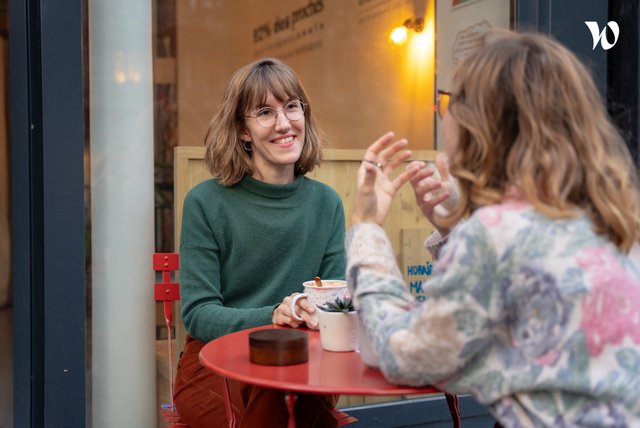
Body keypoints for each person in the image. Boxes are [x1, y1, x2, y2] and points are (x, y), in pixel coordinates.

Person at [347, 31, 640, 427]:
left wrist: (366, 230)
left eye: (449, 101)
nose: (442, 112)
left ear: (480, 123)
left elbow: (406, 355)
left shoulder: (497, 234)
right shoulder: (616, 217)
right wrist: (458, 224)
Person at [173, 57, 346, 427]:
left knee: (289, 397)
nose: (284, 123)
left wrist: (321, 312)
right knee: (282, 404)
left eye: (291, 107)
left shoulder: (326, 203)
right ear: (243, 131)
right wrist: (272, 316)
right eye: (265, 112)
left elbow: (338, 302)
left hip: (300, 363)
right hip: (214, 363)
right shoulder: (206, 203)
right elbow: (198, 313)